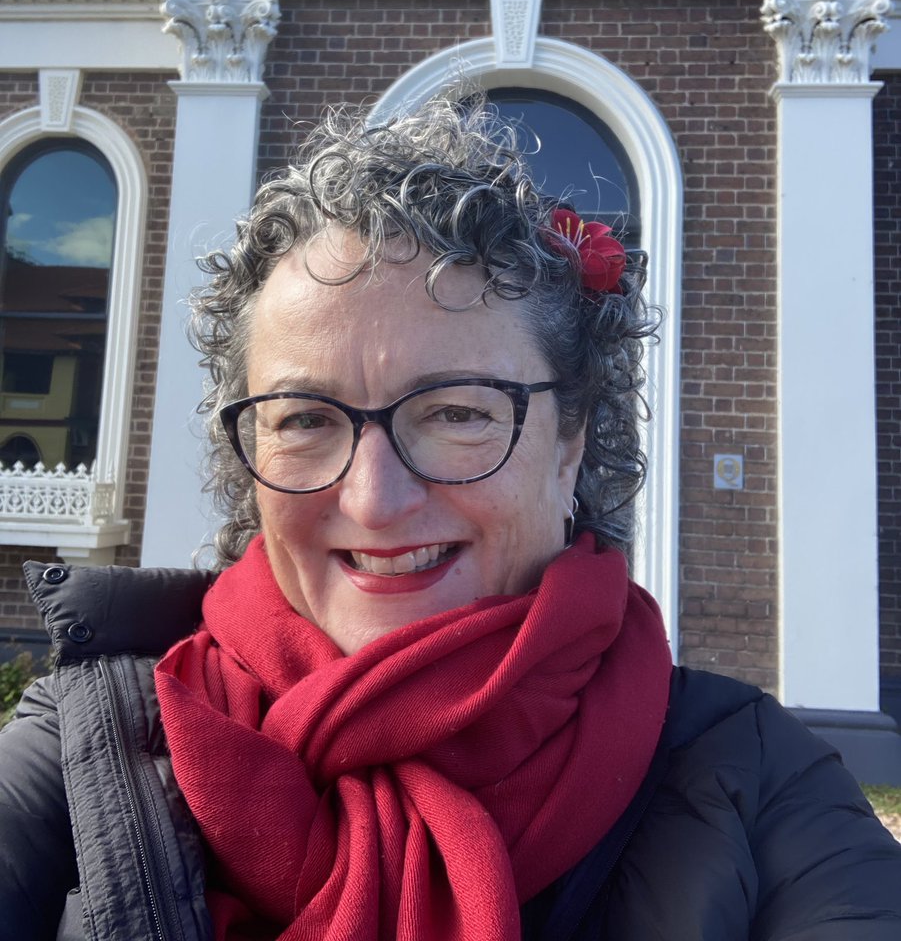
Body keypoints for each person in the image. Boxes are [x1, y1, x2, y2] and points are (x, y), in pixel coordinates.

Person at [1, 92, 899, 941]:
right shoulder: (80, 747)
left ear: (572, 440)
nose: (373, 498)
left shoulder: (760, 784)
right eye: (306, 420)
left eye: (458, 412)